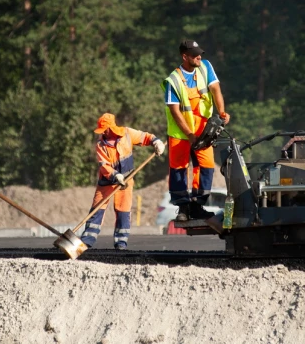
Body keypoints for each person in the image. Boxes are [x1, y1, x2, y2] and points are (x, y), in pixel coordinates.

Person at [162, 40, 231, 221]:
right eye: (194, 54)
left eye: (200, 53)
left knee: (207, 167)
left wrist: (222, 112)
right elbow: (175, 111)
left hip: (203, 130)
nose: (199, 56)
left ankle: (197, 205)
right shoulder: (173, 80)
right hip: (180, 132)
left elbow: (215, 89)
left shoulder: (205, 67)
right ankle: (183, 208)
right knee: (179, 169)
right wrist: (189, 135)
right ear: (184, 57)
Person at [81, 113, 165, 250]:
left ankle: (121, 243)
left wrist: (156, 141)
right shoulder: (100, 144)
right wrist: (115, 175)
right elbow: (104, 166)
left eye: (104, 130)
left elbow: (145, 137)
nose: (103, 133)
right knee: (97, 210)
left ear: (111, 128)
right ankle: (86, 241)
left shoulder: (127, 133)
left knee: (123, 211)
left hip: (126, 181)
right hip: (107, 180)